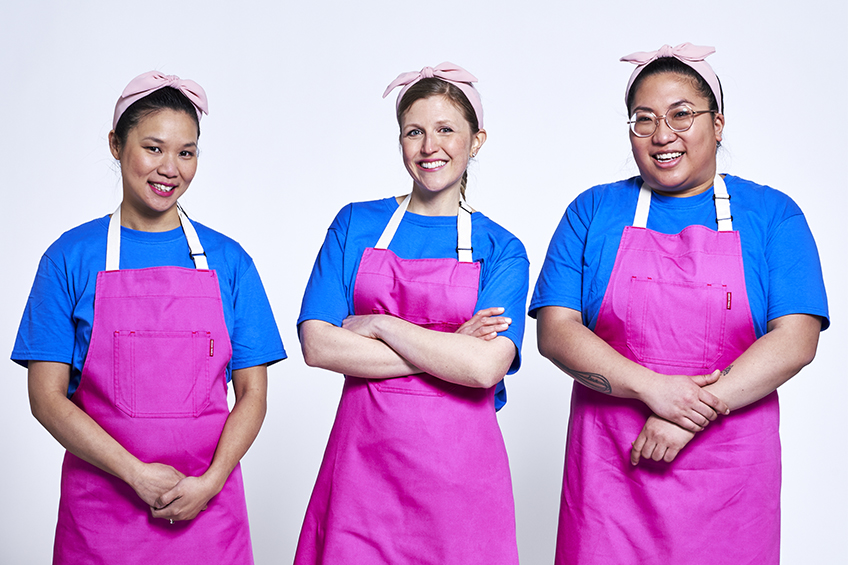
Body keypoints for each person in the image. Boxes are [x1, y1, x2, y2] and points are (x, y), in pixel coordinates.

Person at [529, 44, 829, 564]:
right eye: (644, 120)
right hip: (610, 483)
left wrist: (684, 416)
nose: (662, 135)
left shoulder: (773, 216)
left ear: (717, 124)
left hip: (731, 487)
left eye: (682, 115)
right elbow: (556, 332)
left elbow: (796, 340)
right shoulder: (593, 211)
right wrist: (654, 390)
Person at [12, 71, 286, 564]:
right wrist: (134, 473)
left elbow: (253, 394)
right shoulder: (69, 258)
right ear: (117, 145)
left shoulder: (230, 262)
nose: (170, 168)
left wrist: (211, 481)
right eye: (153, 148)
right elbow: (45, 398)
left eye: (187, 152)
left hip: (208, 512)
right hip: (101, 520)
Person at [294, 62, 528, 564]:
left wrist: (381, 326)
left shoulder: (502, 248)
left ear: (477, 139)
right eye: (414, 132)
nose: (430, 147)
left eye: (446, 130)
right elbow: (317, 344)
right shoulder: (356, 224)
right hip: (363, 476)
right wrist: (450, 346)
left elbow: (484, 367)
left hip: (461, 485)